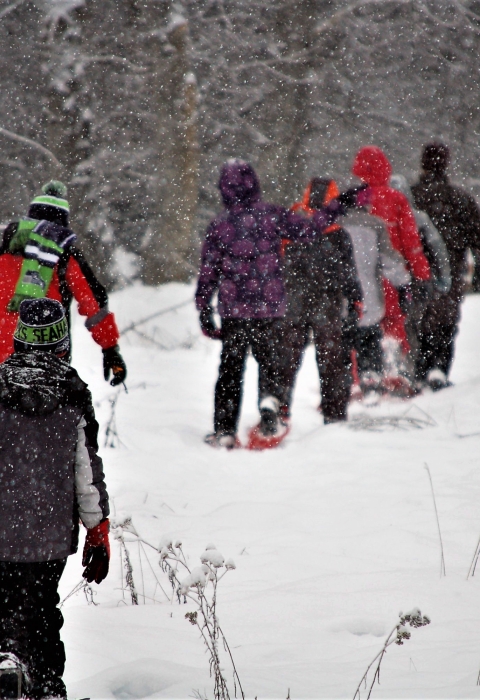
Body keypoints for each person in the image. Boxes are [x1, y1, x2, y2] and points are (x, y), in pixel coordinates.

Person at [195, 160, 366, 448]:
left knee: (231, 369)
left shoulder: (220, 226)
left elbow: (208, 271)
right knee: (270, 363)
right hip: (269, 307)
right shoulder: (272, 215)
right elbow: (312, 229)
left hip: (234, 310)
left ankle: (225, 431)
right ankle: (269, 404)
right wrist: (339, 205)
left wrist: (204, 307)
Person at [0, 297, 110, 700]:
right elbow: (86, 471)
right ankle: (47, 688)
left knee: (5, 608)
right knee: (42, 613)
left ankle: (7, 664)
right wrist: (98, 528)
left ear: (19, 340)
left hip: (3, 530)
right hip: (49, 533)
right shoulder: (73, 392)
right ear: (61, 343)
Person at [0, 181, 127, 386]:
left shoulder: (5, 247)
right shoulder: (64, 254)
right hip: (47, 357)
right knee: (44, 413)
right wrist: (110, 349)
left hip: (3, 358)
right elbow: (93, 303)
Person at [280, 177, 362, 423]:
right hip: (328, 306)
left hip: (293, 304)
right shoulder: (338, 235)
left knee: (286, 361)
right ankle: (334, 415)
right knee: (333, 363)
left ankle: (277, 410)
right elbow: (348, 273)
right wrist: (355, 299)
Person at [351, 146, 431, 365]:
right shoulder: (397, 199)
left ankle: (365, 374)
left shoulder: (353, 199)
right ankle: (396, 366)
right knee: (395, 321)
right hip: (395, 273)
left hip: (363, 274)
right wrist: (420, 273)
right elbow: (411, 243)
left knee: (364, 323)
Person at [411, 143, 480, 389]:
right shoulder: (459, 199)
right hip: (450, 272)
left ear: (423, 163)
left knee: (418, 322)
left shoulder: (411, 197)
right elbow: (477, 238)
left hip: (415, 273)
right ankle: (438, 369)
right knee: (444, 323)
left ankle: (418, 372)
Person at [341, 204, 411, 398]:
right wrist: (404, 284)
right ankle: (371, 378)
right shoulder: (374, 225)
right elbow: (389, 261)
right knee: (370, 339)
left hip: (343, 302)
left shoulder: (335, 224)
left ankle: (344, 385)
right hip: (369, 299)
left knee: (343, 345)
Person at [390, 173, 451, 379]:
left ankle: (391, 372)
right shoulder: (419, 218)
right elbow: (438, 248)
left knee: (392, 327)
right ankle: (411, 373)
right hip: (416, 279)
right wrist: (443, 277)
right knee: (413, 326)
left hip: (386, 281)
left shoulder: (376, 216)